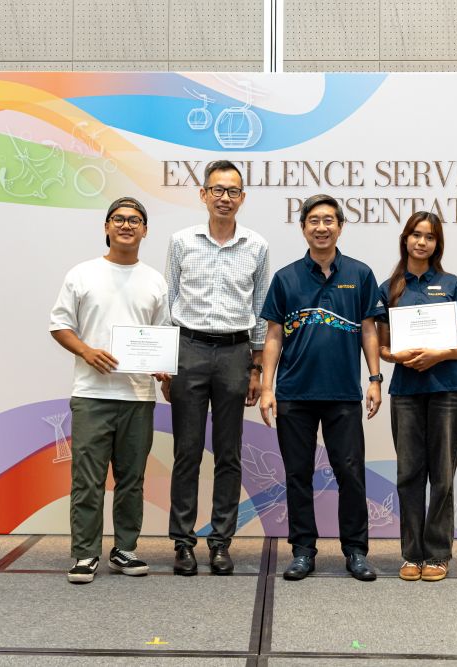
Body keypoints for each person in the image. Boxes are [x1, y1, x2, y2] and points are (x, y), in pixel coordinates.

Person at [259, 194, 384, 582]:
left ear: (340, 227)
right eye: (313, 220)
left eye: (329, 220)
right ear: (303, 228)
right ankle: (302, 550)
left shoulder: (360, 274)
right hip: (294, 394)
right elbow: (273, 336)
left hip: (343, 394)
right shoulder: (286, 278)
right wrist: (267, 387)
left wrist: (375, 379)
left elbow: (369, 330)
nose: (321, 227)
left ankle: (356, 551)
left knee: (351, 473)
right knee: (298, 475)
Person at [49, 197, 170, 584]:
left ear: (145, 230)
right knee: (88, 479)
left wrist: (162, 368)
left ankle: (125, 550)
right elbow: (59, 324)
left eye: (135, 220)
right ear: (106, 227)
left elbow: (161, 337)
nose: (126, 225)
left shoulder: (155, 281)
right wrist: (86, 351)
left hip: (138, 397)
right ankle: (85, 553)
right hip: (92, 394)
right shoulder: (82, 274)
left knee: (132, 480)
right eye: (118, 219)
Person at [163, 160, 271, 576]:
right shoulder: (181, 242)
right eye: (217, 190)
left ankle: (221, 541)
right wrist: (166, 363)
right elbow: (169, 303)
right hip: (188, 349)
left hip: (234, 353)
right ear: (203, 194)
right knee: (187, 451)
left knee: (229, 453)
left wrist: (256, 368)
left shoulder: (256, 246)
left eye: (233, 191)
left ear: (242, 197)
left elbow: (260, 310)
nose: (225, 198)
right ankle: (183, 542)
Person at [376, 211, 457, 582]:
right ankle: (411, 554)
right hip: (406, 391)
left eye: (430, 237)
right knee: (408, 475)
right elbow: (382, 347)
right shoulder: (389, 288)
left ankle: (437, 554)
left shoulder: (451, 284)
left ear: (437, 244)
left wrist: (440, 354)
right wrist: (396, 356)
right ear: (405, 239)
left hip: (448, 390)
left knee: (442, 476)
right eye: (416, 235)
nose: (422, 242)